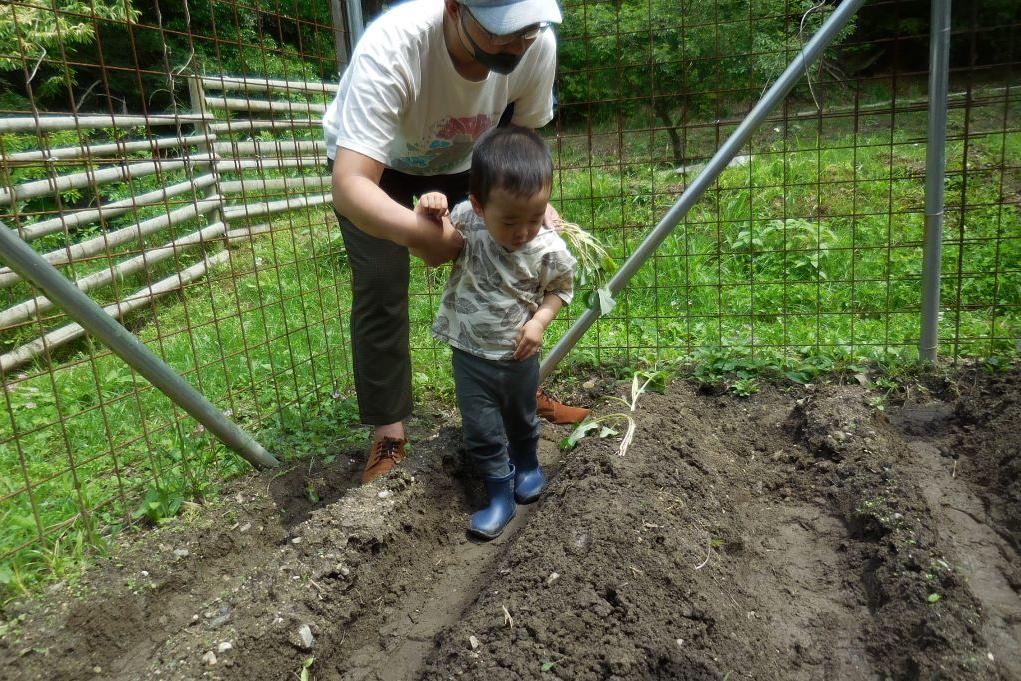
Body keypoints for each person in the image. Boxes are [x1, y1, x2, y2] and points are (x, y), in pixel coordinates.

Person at [324, 0, 588, 486]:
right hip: (379, 169)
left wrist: (530, 208)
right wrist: (422, 236)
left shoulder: (536, 42)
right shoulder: (396, 44)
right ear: (453, 8)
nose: (517, 43)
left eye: (526, 29)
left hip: (471, 166)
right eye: (499, 31)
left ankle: (518, 391)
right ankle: (390, 432)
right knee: (381, 283)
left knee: (517, 262)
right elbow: (351, 184)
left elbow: (520, 138)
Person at [417, 126, 573, 539]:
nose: (523, 231)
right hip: (469, 354)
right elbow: (437, 232)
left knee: (521, 417)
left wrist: (539, 322)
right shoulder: (467, 220)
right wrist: (431, 208)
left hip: (518, 356)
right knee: (481, 429)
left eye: (535, 218)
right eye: (510, 221)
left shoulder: (549, 247)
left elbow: (560, 291)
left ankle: (528, 464)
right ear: (479, 206)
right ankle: (499, 495)